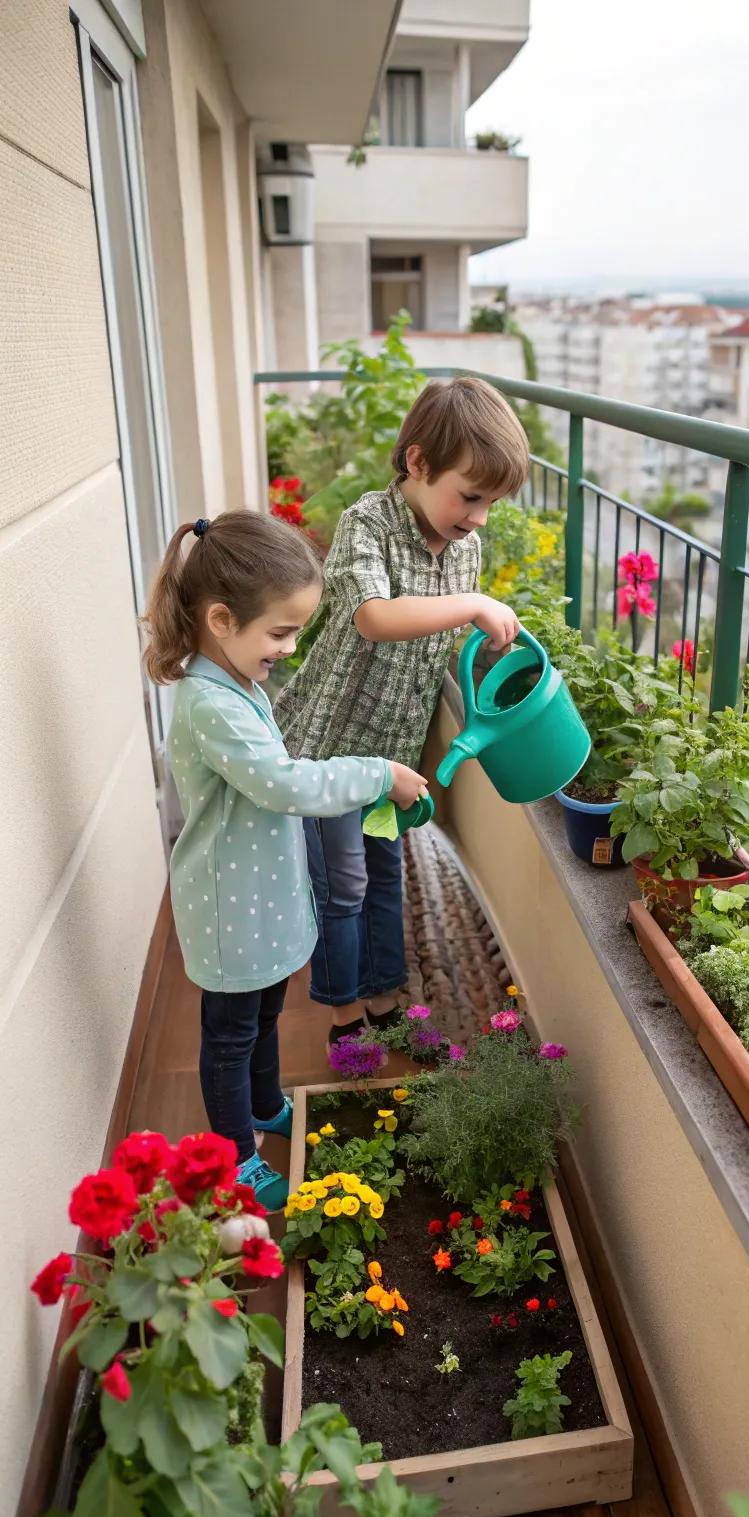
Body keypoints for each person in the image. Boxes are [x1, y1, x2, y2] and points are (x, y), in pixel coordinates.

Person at [142, 510, 427, 1208]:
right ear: (219, 620)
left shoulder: (236, 683)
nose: (290, 648)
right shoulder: (212, 705)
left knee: (266, 1012)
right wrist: (376, 773)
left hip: (257, 897)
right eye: (279, 632)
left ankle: (265, 1105)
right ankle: (234, 1157)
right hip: (229, 906)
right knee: (231, 1034)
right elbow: (284, 783)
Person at [275, 377, 529, 1050]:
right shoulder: (369, 522)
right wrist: (473, 605)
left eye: (491, 503)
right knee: (343, 886)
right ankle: (342, 1017)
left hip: (391, 761)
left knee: (387, 871)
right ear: (417, 463)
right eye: (470, 495)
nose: (478, 517)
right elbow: (375, 616)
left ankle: (386, 997)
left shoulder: (466, 547)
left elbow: (440, 641)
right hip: (329, 755)